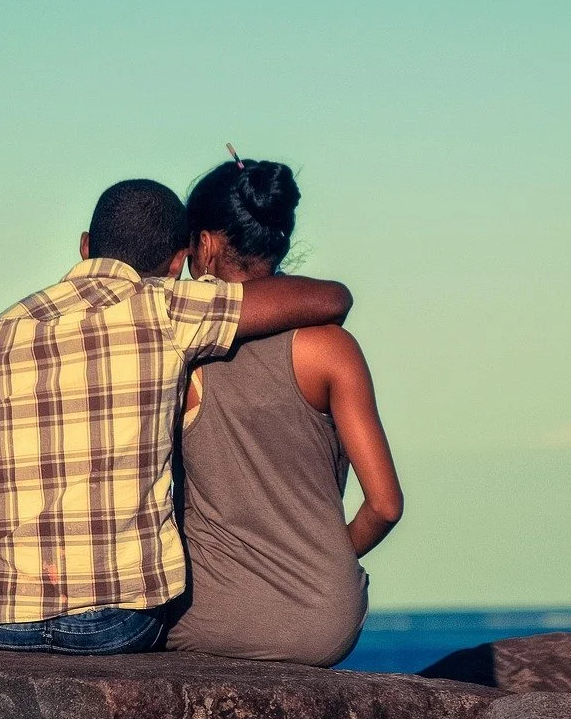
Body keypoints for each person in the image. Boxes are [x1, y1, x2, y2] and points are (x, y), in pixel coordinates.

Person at [0, 178, 353, 655]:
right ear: (178, 262)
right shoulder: (166, 308)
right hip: (119, 625)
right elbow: (331, 299)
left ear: (85, 248)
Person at [166, 159, 402, 666]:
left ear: (204, 245)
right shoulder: (332, 348)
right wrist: (323, 561)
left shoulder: (181, 350)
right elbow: (385, 505)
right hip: (325, 621)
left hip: (211, 614)